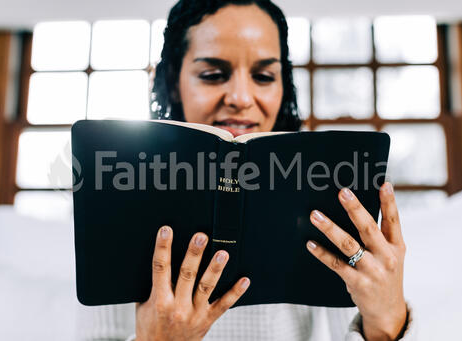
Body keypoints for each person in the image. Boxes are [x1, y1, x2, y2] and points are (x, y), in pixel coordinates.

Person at [79, 0, 415, 340]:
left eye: (264, 76)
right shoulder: (118, 193)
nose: (241, 97)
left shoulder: (327, 189)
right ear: (172, 80)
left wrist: (387, 320)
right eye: (212, 75)